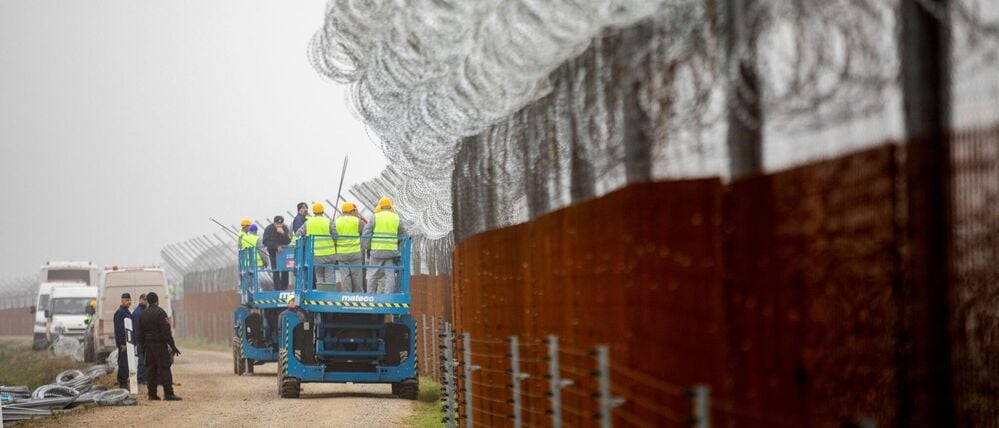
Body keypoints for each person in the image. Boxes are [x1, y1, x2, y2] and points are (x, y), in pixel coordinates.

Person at [137, 292, 181, 401]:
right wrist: (173, 346)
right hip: (160, 345)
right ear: (157, 301)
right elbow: (166, 332)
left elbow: (140, 333)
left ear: (148, 301)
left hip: (148, 346)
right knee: (165, 369)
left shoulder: (143, 314)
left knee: (151, 369)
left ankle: (152, 394)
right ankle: (168, 393)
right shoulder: (161, 313)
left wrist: (143, 347)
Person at [363, 197, 407, 293]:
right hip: (391, 252)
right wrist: (398, 245)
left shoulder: (375, 217)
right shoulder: (396, 218)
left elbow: (366, 234)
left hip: (377, 251)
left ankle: (370, 296)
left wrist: (368, 248)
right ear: (391, 206)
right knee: (390, 275)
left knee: (372, 274)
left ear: (380, 206)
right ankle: (388, 296)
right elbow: (404, 235)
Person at [296, 203, 337, 290]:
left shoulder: (308, 222)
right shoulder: (328, 221)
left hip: (314, 254)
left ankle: (321, 293)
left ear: (313, 212)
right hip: (329, 253)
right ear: (322, 211)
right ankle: (329, 294)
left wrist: (307, 237)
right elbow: (335, 236)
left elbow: (298, 233)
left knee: (319, 275)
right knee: (329, 274)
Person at [333, 202, 365, 292]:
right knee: (357, 276)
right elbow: (365, 233)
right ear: (351, 211)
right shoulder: (357, 221)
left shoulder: (336, 222)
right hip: (355, 253)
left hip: (341, 254)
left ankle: (347, 295)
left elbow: (333, 237)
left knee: (345, 276)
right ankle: (358, 296)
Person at [263, 215, 292, 290]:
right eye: (277, 224)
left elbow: (288, 240)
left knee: (285, 270)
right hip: (273, 253)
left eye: (281, 223)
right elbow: (265, 242)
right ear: (274, 223)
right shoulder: (268, 229)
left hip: (283, 253)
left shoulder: (285, 228)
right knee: (275, 271)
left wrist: (283, 233)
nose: (279, 225)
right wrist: (276, 246)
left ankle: (284, 288)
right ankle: (277, 289)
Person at [112, 293, 132, 389]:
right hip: (124, 344)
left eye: (130, 300)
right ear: (122, 301)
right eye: (127, 300)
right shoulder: (121, 313)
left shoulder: (126, 311)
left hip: (127, 342)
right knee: (123, 363)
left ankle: (124, 381)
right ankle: (123, 383)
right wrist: (122, 344)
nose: (129, 302)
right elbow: (119, 330)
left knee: (125, 363)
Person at [132, 294, 148, 384]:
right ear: (140, 300)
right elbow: (137, 328)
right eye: (144, 299)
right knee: (142, 359)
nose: (146, 301)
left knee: (143, 359)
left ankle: (142, 377)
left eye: (147, 300)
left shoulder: (142, 311)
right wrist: (138, 340)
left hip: (142, 339)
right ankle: (141, 377)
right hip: (141, 340)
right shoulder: (138, 312)